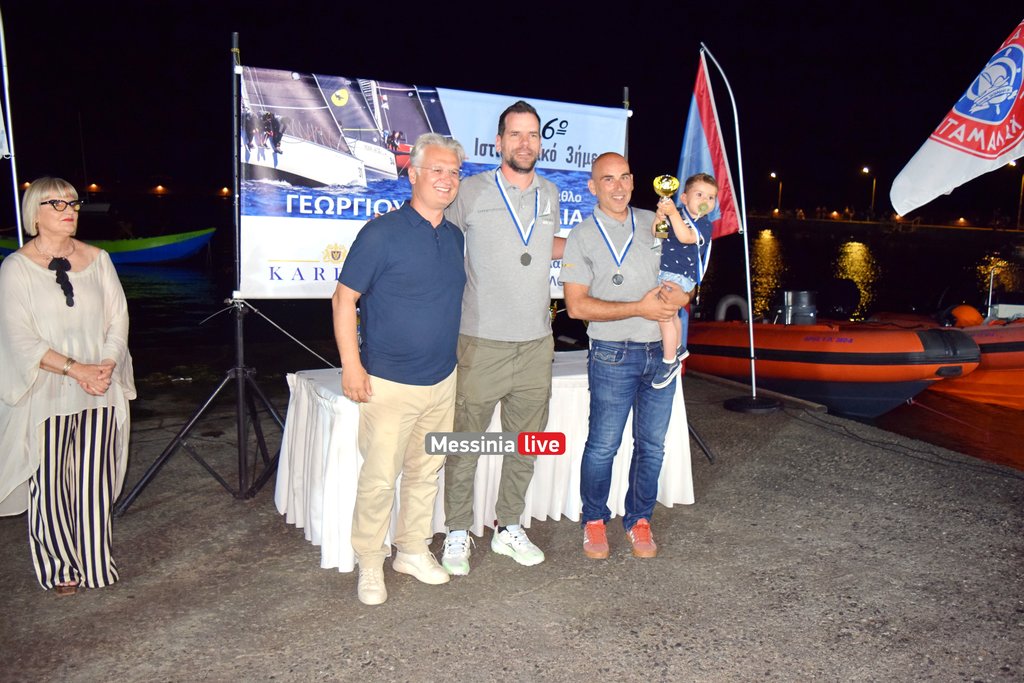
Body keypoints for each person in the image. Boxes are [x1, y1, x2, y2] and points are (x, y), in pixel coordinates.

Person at [333, 133, 467, 605]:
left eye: (454, 172)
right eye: (437, 170)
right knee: (378, 480)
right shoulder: (381, 233)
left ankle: (411, 549)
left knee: (426, 473)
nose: (446, 179)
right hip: (388, 384)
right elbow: (343, 299)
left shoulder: (455, 237)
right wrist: (351, 366)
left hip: (442, 381)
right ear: (413, 175)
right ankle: (370, 561)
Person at [440, 100, 562, 575]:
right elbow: (441, 248)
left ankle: (507, 525)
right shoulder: (470, 191)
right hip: (481, 341)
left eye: (532, 135)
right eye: (515, 134)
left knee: (525, 444)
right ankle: (456, 530)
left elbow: (543, 246)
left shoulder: (551, 193)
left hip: (536, 343)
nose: (525, 143)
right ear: (498, 142)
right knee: (465, 444)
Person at [0, 177, 136, 595]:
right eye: (56, 204)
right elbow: (19, 337)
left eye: (73, 203)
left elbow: (118, 318)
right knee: (51, 483)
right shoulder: (16, 267)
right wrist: (77, 370)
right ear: (34, 213)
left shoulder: (98, 259)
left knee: (95, 479)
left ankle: (96, 561)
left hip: (100, 385)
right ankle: (60, 567)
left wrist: (106, 365)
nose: (69, 211)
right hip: (47, 389)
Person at [560, 152, 689, 560]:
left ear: (634, 181)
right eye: (608, 179)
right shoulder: (582, 236)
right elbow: (576, 307)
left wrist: (684, 295)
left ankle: (639, 519)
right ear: (592, 187)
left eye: (624, 177)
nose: (618, 187)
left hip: (662, 353)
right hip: (611, 353)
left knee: (652, 446)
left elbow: (686, 271)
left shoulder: (658, 222)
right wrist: (640, 308)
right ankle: (594, 520)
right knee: (603, 446)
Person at [651, 172, 718, 388]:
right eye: (699, 195)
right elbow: (659, 235)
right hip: (664, 272)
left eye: (710, 197)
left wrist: (672, 214)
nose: (705, 200)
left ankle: (669, 361)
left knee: (663, 316)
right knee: (673, 316)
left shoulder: (705, 224)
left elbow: (685, 236)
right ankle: (678, 348)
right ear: (684, 198)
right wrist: (661, 217)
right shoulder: (677, 215)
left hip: (680, 276)